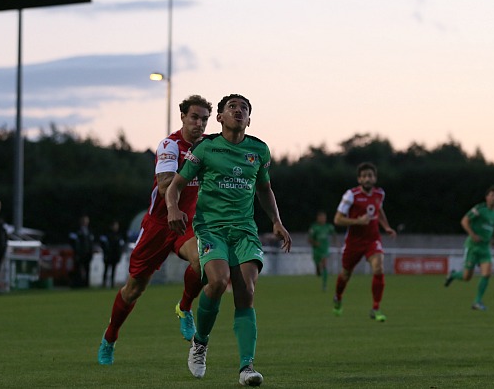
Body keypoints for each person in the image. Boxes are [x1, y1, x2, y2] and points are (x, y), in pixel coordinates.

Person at [166, 93, 292, 386]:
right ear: (220, 117)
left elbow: (264, 189)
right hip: (211, 228)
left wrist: (276, 221)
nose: (238, 111)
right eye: (231, 107)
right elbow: (176, 185)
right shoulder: (206, 148)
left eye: (244, 108)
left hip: (245, 230)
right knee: (219, 281)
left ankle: (246, 367)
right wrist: (172, 207)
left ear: (249, 119)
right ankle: (200, 342)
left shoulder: (259, 150)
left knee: (246, 290)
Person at [97, 95, 213, 365]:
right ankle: (110, 337)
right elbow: (164, 186)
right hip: (158, 226)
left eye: (204, 119)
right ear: (183, 117)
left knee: (203, 260)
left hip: (187, 224)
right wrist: (173, 208)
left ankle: (184, 308)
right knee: (134, 289)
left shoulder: (209, 148)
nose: (199, 124)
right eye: (194, 117)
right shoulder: (170, 145)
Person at [332, 162, 397, 322]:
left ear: (375, 178)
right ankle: (338, 297)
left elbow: (379, 210)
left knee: (378, 267)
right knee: (346, 274)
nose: (368, 178)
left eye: (371, 175)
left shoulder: (379, 194)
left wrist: (386, 227)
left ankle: (376, 308)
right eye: (364, 176)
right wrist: (357, 221)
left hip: (372, 239)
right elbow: (337, 219)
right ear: (359, 179)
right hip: (354, 242)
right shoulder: (351, 195)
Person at [444, 185, 494, 311]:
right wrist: (473, 235)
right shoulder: (479, 209)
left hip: (485, 248)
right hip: (473, 247)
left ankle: (477, 301)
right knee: (466, 277)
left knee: (487, 273)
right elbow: (464, 221)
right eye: (492, 195)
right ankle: (453, 275)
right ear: (487, 197)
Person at [307, 210, 336, 291]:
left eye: (324, 218)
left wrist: (336, 242)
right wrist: (315, 242)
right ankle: (318, 270)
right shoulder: (314, 227)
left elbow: (334, 234)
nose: (323, 219)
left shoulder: (328, 226)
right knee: (318, 270)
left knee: (324, 264)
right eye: (321, 218)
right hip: (316, 250)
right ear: (318, 218)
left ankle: (324, 285)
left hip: (324, 249)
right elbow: (309, 239)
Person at [69, 214, 94, 288]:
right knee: (78, 270)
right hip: (79, 254)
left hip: (87, 254)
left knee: (87, 269)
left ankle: (86, 284)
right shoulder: (76, 231)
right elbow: (73, 242)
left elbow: (91, 243)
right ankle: (78, 284)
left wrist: (90, 252)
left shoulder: (89, 231)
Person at [100, 220, 126, 288]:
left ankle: (112, 283)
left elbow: (120, 246)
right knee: (106, 269)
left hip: (115, 256)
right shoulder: (108, 235)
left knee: (113, 270)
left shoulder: (118, 236)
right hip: (108, 255)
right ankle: (104, 283)